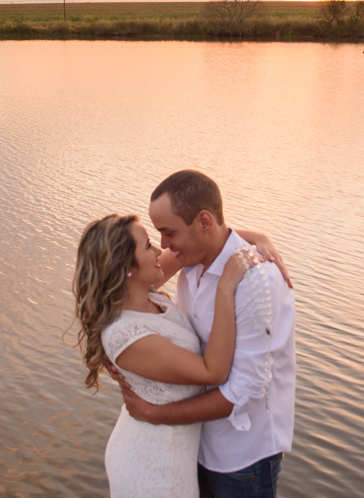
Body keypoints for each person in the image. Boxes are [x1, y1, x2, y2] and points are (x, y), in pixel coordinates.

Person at [72, 212, 283, 498]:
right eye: (148, 245)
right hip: (156, 468)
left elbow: (202, 242)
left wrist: (258, 237)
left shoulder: (145, 294)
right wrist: (225, 287)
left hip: (174, 453)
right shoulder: (126, 334)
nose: (161, 249)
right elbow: (214, 372)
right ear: (126, 267)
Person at [114, 170, 297, 498]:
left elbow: (245, 388)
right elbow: (125, 279)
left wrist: (157, 414)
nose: (163, 247)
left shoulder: (257, 283)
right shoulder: (191, 259)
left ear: (203, 221)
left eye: (168, 233)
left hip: (243, 460)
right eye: (157, 236)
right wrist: (254, 233)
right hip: (194, 447)